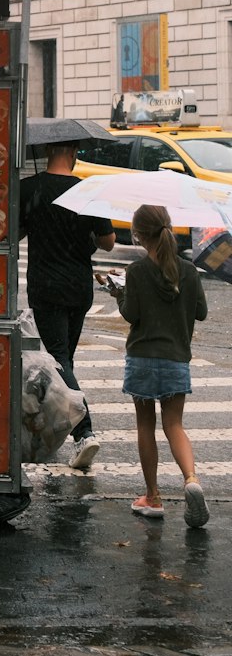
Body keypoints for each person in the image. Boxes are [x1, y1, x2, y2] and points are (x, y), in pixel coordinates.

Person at [109, 203, 209, 526]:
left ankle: (152, 497)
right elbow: (202, 312)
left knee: (145, 426)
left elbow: (131, 314)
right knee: (174, 425)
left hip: (141, 358)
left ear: (138, 235)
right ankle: (191, 479)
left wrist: (119, 297)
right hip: (176, 359)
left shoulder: (136, 272)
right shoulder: (189, 271)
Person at [19, 141, 115, 470]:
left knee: (59, 360)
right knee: (65, 359)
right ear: (72, 153)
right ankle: (68, 427)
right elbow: (109, 242)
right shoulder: (87, 191)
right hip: (78, 288)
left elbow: (13, 234)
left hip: (46, 287)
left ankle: (83, 432)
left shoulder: (29, 188)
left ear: (48, 152)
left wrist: (37, 218)